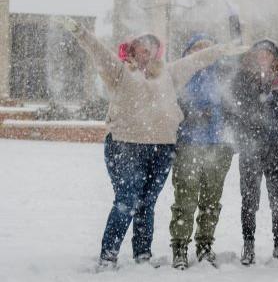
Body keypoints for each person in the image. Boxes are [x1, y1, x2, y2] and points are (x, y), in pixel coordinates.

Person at [59, 17, 245, 269]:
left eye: (152, 48)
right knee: (127, 200)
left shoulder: (167, 73)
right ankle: (108, 255)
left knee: (147, 203)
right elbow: (98, 51)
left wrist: (220, 49)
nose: (148, 53)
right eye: (143, 48)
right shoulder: (121, 71)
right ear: (132, 49)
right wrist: (80, 32)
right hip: (127, 146)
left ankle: (142, 255)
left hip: (162, 148)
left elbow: (194, 61)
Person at [230, 39, 278, 266]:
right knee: (249, 199)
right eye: (258, 53)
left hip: (276, 149)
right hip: (250, 149)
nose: (263, 57)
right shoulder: (242, 79)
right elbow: (236, 112)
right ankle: (248, 244)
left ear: (275, 59)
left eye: (267, 54)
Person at [169, 33, 237, 269]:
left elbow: (235, 106)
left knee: (211, 201)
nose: (203, 52)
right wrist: (193, 115)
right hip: (188, 145)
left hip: (219, 146)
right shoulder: (180, 76)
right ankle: (179, 246)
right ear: (186, 53)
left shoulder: (225, 74)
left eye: (208, 47)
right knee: (185, 200)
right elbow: (170, 106)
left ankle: (205, 245)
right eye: (197, 48)